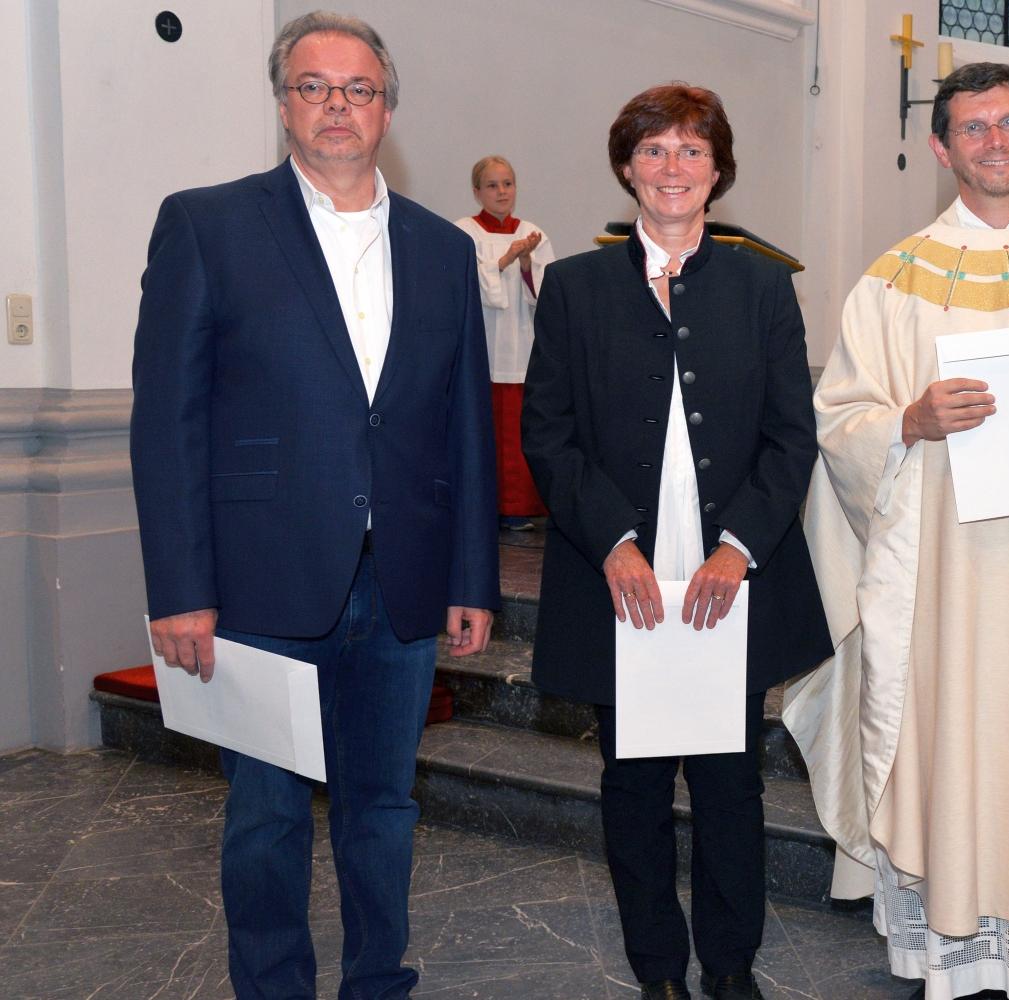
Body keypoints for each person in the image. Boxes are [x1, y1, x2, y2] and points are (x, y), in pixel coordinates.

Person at [130, 12, 498, 999]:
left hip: (406, 579)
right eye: (314, 86)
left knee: (384, 807)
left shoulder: (440, 248)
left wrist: (472, 572)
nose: (338, 105)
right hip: (260, 580)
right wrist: (180, 586)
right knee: (266, 816)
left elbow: (463, 422)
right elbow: (168, 422)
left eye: (359, 88)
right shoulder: (207, 224)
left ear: (387, 107)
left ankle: (379, 981)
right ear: (283, 102)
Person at [786, 62, 1009, 1000]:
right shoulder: (894, 281)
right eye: (974, 128)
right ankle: (942, 950)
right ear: (942, 147)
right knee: (948, 739)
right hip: (939, 577)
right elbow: (840, 420)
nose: (995, 142)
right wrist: (907, 422)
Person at [520, 83, 830, 1000]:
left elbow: (791, 435)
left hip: (729, 576)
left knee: (733, 784)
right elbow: (550, 433)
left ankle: (731, 965)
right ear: (626, 166)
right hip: (619, 578)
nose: (672, 168)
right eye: (653, 150)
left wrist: (739, 548)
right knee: (636, 783)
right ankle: (657, 968)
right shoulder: (575, 287)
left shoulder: (763, 285)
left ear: (719, 171)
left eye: (692, 152)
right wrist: (611, 541)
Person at [454, 155, 554, 531]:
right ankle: (479, 505)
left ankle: (517, 507)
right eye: (492, 185)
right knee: (482, 430)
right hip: (480, 346)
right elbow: (460, 284)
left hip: (520, 346)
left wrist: (527, 264)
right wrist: (504, 259)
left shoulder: (533, 233)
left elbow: (546, 294)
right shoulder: (463, 232)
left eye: (508, 183)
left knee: (516, 432)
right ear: (477, 191)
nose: (501, 192)